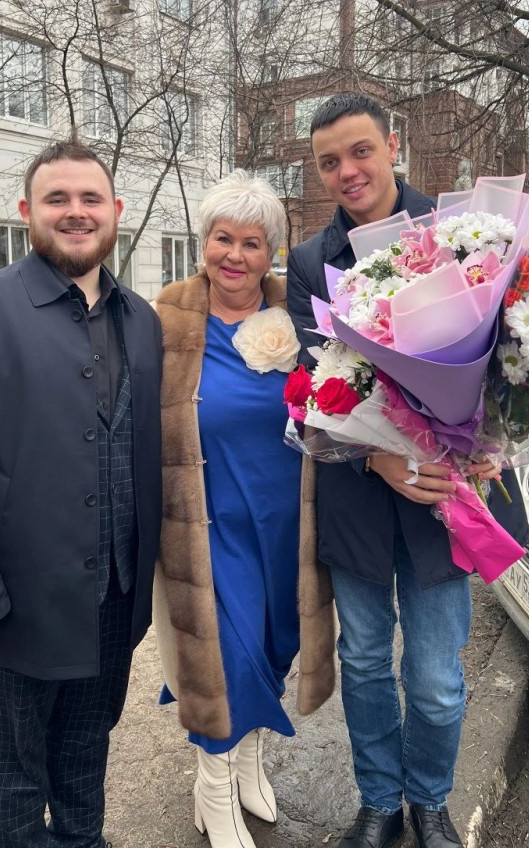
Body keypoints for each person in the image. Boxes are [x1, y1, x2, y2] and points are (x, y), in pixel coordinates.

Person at [0, 140, 163, 848]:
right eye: (57, 199)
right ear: (27, 211)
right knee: (13, 770)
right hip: (11, 603)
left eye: (90, 199)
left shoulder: (142, 320)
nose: (76, 212)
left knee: (86, 750)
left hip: (113, 596)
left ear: (115, 211)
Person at [287, 94, 529, 848]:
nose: (347, 171)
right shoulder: (309, 262)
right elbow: (311, 393)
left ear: (393, 146)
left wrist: (491, 436)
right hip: (359, 497)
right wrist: (377, 454)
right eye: (329, 161)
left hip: (443, 498)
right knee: (363, 662)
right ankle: (379, 803)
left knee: (434, 677)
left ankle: (428, 801)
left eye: (360, 151)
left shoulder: (463, 234)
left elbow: (511, 359)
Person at [153, 171, 335, 848]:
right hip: (208, 523)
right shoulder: (168, 319)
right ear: (203, 242)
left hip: (288, 521)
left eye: (252, 243)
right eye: (222, 239)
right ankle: (213, 786)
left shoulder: (302, 315)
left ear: (272, 252)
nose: (234, 255)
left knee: (272, 645)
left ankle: (249, 759)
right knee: (223, 657)